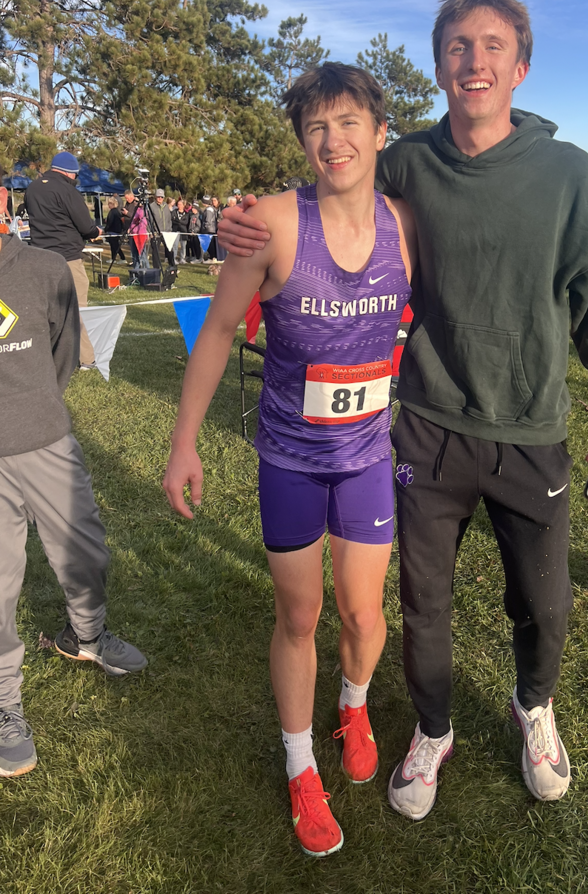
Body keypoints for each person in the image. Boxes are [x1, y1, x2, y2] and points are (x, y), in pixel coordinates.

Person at [218, 0, 588, 819]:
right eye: (457, 46)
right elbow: (328, 176)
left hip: (530, 429)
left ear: (520, 67)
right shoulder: (407, 159)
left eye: (491, 46)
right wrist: (250, 222)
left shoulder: (568, 173)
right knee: (422, 602)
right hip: (426, 427)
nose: (474, 61)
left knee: (546, 601)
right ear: (439, 64)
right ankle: (434, 727)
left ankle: (535, 707)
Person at [163, 63, 416, 856]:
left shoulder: (409, 223)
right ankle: (302, 764)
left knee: (364, 614)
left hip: (370, 453)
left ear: (379, 133)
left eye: (348, 123)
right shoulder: (268, 222)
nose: (332, 141)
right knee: (300, 616)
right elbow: (214, 332)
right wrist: (183, 442)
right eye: (315, 127)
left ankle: (355, 703)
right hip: (292, 460)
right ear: (301, 139)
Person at [0, 230, 147, 778]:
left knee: (84, 551)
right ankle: (3, 703)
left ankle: (85, 637)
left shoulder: (42, 268)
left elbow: (63, 354)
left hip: (46, 440)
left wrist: (33, 409)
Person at [24, 152, 102, 370]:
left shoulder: (33, 188)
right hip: (67, 258)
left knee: (45, 311)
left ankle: (45, 355)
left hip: (40, 257)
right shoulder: (67, 190)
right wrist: (96, 230)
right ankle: (86, 359)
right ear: (70, 172)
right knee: (78, 309)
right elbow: (86, 227)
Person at [127, 199, 149, 270]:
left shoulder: (143, 211)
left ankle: (147, 271)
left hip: (140, 234)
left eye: (137, 201)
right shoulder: (134, 211)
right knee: (134, 255)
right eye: (134, 201)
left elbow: (144, 222)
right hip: (133, 234)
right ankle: (136, 271)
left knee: (142, 255)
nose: (135, 203)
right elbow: (133, 222)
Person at [104, 197, 127, 263]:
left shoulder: (112, 212)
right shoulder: (117, 211)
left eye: (109, 204)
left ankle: (122, 258)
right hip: (117, 231)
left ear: (112, 204)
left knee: (115, 245)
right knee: (113, 245)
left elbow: (110, 222)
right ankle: (113, 258)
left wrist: (105, 229)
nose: (108, 205)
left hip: (113, 231)